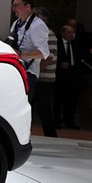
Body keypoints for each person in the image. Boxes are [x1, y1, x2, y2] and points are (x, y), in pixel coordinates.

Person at [8, 0, 49, 102]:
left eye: (16, 5)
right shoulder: (16, 23)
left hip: (28, 72)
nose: (13, 9)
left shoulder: (38, 25)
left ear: (27, 7)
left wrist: (21, 54)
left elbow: (43, 53)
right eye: (13, 6)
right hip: (15, 70)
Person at [55, 23, 86, 129]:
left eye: (72, 32)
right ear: (62, 33)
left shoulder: (75, 44)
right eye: (69, 32)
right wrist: (60, 64)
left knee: (71, 100)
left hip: (73, 75)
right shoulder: (57, 43)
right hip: (60, 75)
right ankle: (57, 121)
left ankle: (69, 121)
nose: (71, 35)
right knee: (58, 99)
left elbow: (80, 57)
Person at [34, 7, 58, 137]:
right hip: (39, 77)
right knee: (40, 108)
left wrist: (36, 72)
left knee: (44, 108)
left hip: (44, 78)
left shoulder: (49, 34)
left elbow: (48, 57)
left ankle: (51, 135)